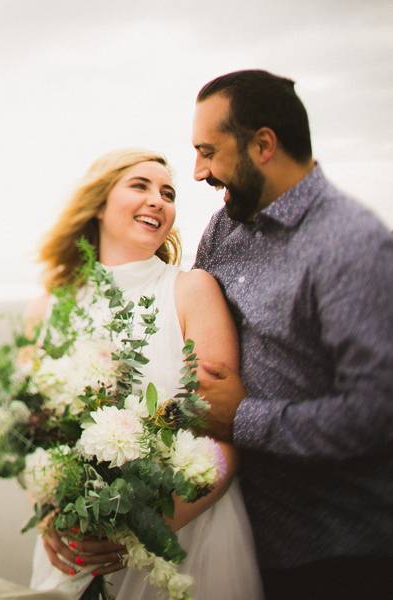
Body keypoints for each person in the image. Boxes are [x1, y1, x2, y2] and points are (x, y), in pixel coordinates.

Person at [190, 69, 393, 599]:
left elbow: (377, 415)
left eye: (208, 152)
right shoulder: (224, 228)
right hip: (233, 534)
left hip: (334, 555)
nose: (197, 172)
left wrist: (243, 417)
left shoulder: (352, 245)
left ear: (262, 145)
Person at [27, 149, 263, 599]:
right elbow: (35, 437)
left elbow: (222, 435)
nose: (158, 200)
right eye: (140, 186)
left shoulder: (192, 290)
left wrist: (145, 529)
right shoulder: (47, 308)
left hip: (185, 535)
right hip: (79, 548)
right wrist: (47, 515)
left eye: (168, 193)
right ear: (98, 202)